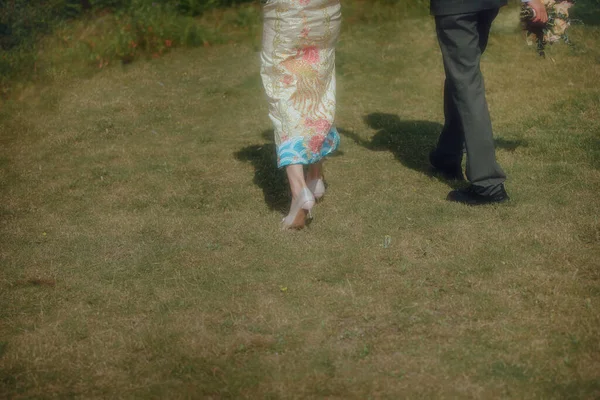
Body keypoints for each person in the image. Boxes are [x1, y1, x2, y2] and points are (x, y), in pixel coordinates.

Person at [428, 0, 547, 205]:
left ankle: (487, 183)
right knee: (461, 76)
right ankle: (447, 156)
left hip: (456, 7)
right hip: (486, 4)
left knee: (465, 81)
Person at [260, 0, 342, 229]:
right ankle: (315, 176)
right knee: (317, 86)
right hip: (325, 11)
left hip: (287, 13)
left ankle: (298, 191)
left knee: (283, 90)